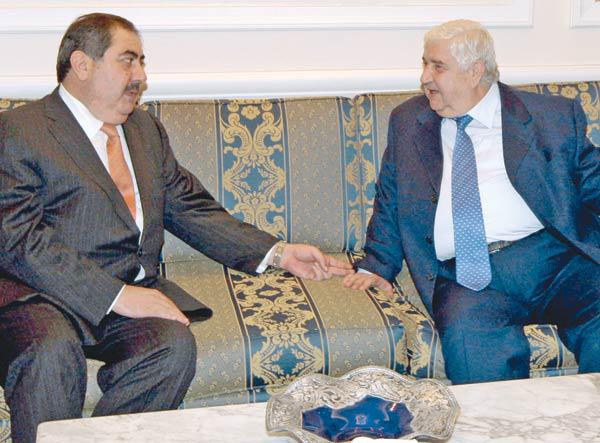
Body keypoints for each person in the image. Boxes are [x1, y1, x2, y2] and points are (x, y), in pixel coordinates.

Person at [0, 13, 352, 443]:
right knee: (50, 352)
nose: (141, 77)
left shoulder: (143, 129)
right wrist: (115, 295)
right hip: (41, 296)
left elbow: (189, 208)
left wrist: (278, 252)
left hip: (127, 293)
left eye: (142, 62)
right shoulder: (20, 130)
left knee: (171, 346)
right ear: (82, 64)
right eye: (128, 61)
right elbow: (18, 240)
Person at [344, 19, 599, 385]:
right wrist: (375, 266)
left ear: (475, 71)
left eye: (437, 67)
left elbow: (592, 182)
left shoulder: (550, 116)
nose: (424, 78)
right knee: (475, 355)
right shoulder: (408, 122)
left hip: (556, 261)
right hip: (470, 275)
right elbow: (391, 198)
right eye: (424, 64)